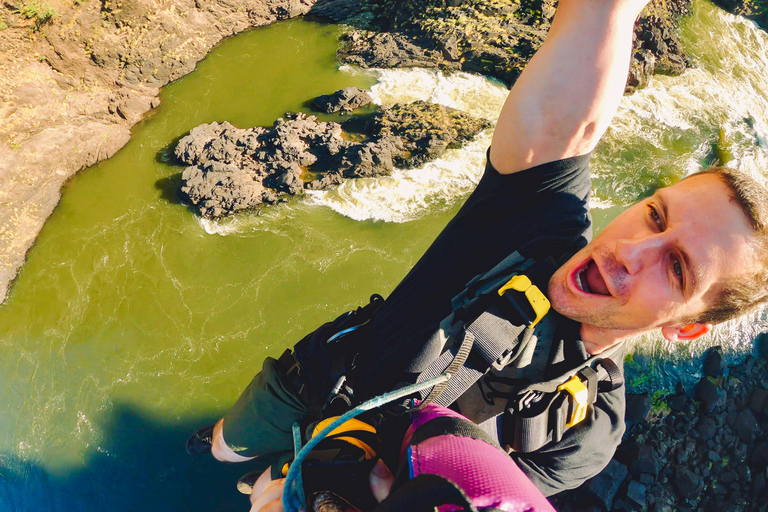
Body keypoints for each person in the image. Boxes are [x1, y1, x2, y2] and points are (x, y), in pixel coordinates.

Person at [191, 0, 768, 501]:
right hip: (310, 384)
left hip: (356, 481)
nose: (633, 250)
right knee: (225, 446)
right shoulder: (533, 224)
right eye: (655, 214)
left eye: (676, 267)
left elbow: (482, 497)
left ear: (689, 330)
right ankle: (216, 450)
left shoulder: (589, 430)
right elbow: (573, 104)